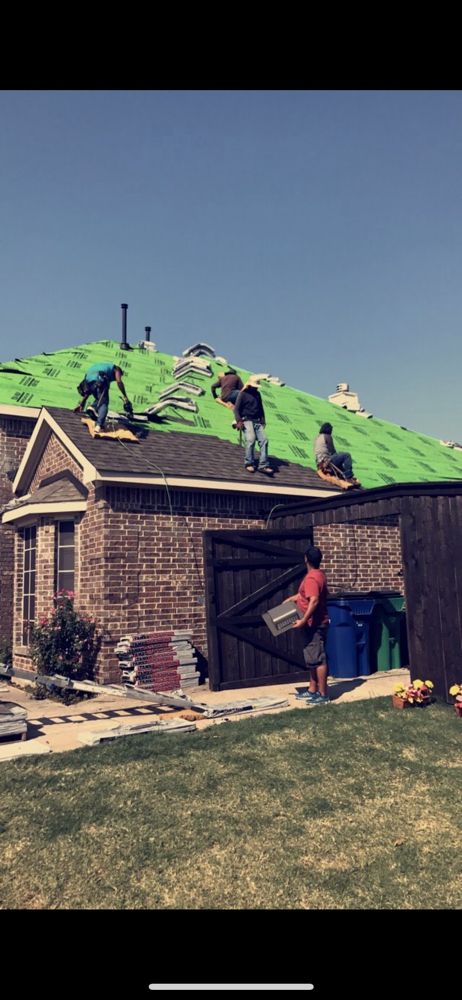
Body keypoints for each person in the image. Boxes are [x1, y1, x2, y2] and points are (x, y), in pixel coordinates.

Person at [284, 545, 330, 705]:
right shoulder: (318, 575)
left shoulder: (311, 578)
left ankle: (323, 695)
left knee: (318, 659)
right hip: (312, 624)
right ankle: (312, 690)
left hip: (314, 624)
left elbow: (314, 600)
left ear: (306, 559)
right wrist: (293, 599)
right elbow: (306, 595)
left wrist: (304, 620)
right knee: (312, 658)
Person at [74, 362, 133, 432]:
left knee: (99, 399)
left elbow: (89, 390)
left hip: (88, 382)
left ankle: (93, 407)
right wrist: (125, 396)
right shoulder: (117, 369)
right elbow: (119, 382)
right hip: (100, 380)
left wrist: (82, 403)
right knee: (104, 403)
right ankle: (99, 425)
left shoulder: (101, 367)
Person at [234, 378, 273, 475]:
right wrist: (239, 421)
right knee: (251, 439)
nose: (256, 388)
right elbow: (236, 409)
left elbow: (260, 408)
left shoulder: (257, 394)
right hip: (247, 420)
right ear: (250, 385)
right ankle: (249, 463)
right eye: (255, 387)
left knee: (264, 440)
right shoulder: (243, 394)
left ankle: (263, 465)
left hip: (257, 421)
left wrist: (263, 420)